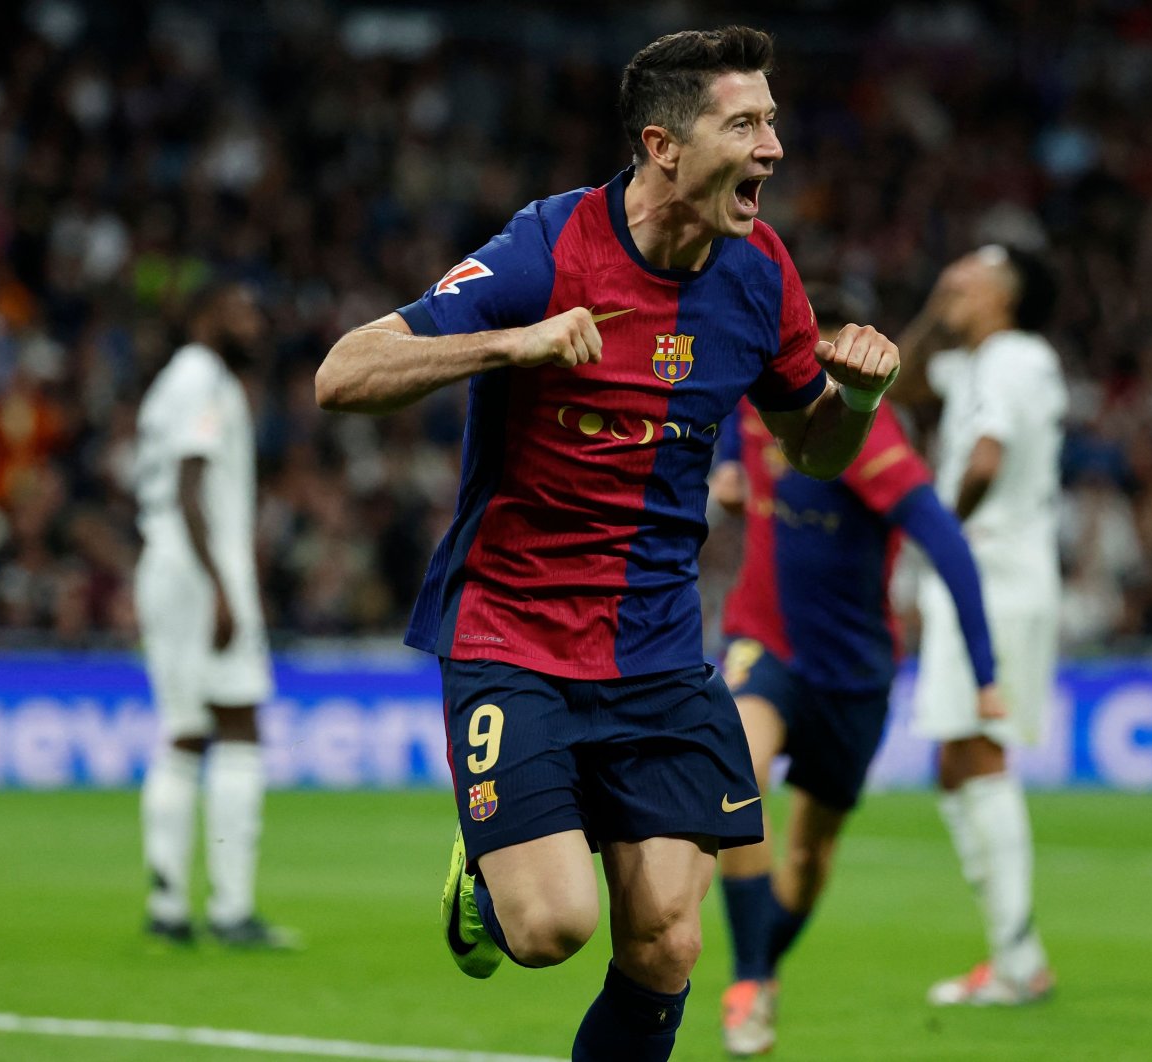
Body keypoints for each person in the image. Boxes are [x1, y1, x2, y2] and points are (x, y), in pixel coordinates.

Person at [314, 27, 901, 1062]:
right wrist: (513, 343)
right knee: (552, 930)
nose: (773, 146)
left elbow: (814, 450)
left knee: (668, 943)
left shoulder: (760, 271)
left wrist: (854, 399)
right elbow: (343, 374)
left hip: (657, 650)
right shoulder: (547, 249)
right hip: (513, 631)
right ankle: (490, 884)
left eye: (773, 121)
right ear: (662, 144)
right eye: (746, 122)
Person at [708, 288, 1004, 1056]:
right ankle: (746, 981)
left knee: (809, 856)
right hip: (763, 639)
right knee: (732, 771)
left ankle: (761, 970)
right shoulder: (759, 397)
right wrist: (728, 473)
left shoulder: (871, 440)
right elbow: (725, 422)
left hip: (853, 674)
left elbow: (945, 541)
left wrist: (985, 670)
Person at [893, 244, 1065, 1005]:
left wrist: (941, 535)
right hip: (994, 575)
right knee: (955, 763)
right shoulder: (987, 361)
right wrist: (937, 307)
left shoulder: (1010, 360)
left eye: (969, 279)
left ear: (1004, 297)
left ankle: (1019, 959)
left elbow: (987, 460)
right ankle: (1010, 951)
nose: (953, 282)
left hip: (991, 575)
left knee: (978, 753)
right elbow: (893, 374)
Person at [134, 281, 295, 949]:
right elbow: (189, 482)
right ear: (204, 313)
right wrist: (223, 587)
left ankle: (168, 905)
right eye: (241, 308)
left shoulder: (175, 381)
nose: (254, 322)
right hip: (199, 574)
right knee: (239, 726)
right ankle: (231, 910)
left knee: (184, 732)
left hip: (166, 568)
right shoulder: (203, 379)